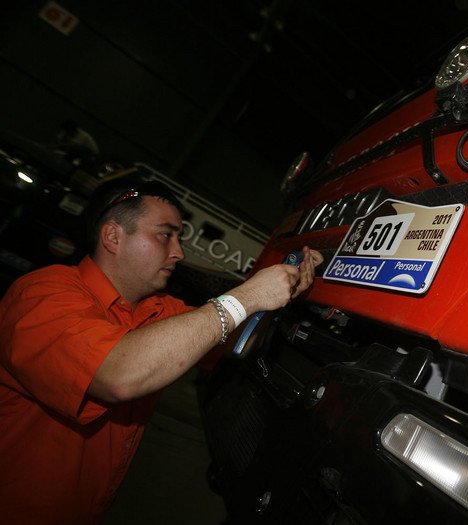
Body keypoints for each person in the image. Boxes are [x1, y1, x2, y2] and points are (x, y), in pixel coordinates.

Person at [0, 180, 323, 523]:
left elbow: (231, 341)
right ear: (112, 237)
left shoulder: (158, 309)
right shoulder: (41, 295)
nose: (179, 252)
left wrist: (281, 293)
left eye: (179, 237)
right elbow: (118, 374)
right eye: (165, 235)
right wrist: (245, 297)